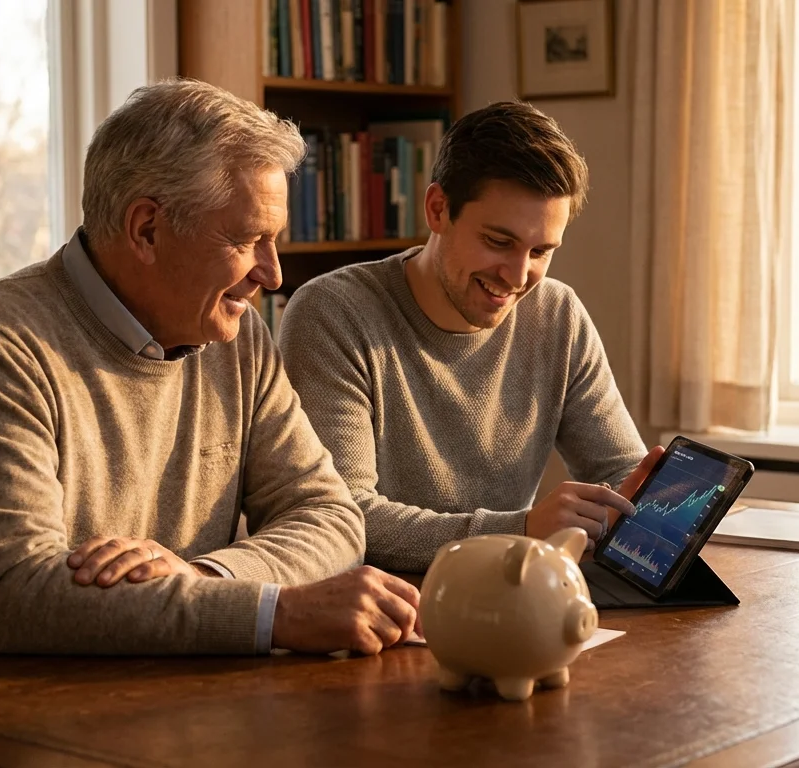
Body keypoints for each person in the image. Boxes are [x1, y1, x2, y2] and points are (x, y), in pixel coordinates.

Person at [0, 79, 420, 669]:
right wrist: (279, 613)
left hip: (152, 697)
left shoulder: (237, 335)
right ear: (146, 229)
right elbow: (16, 595)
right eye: (248, 240)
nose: (271, 275)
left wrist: (205, 576)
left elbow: (329, 515)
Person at [277, 101, 662, 574]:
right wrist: (520, 531)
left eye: (541, 251)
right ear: (438, 209)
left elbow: (620, 474)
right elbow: (345, 517)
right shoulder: (333, 314)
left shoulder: (556, 314)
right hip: (386, 613)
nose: (518, 275)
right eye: (499, 242)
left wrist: (649, 506)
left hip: (512, 597)